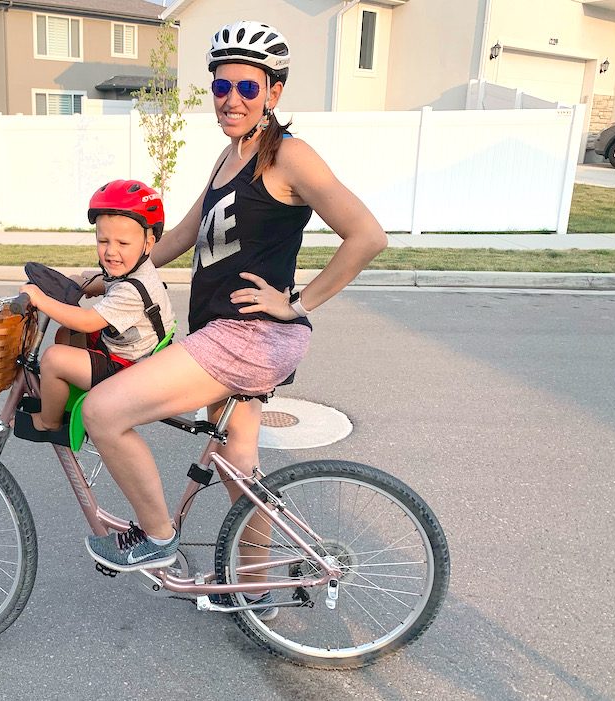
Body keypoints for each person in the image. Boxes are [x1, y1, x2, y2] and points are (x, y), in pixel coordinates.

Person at [81, 20, 388, 582]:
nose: (231, 99)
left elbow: (368, 235)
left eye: (248, 87)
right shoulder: (229, 159)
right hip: (226, 332)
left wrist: (297, 302)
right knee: (236, 462)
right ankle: (255, 586)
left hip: (246, 337)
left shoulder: (289, 156)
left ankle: (155, 539)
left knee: (104, 411)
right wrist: (98, 280)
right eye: (222, 86)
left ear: (273, 92)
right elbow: (177, 238)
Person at [17, 179, 175, 440]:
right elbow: (110, 281)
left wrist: (39, 299)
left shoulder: (131, 290)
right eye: (103, 241)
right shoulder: (135, 268)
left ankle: (49, 422)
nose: (111, 252)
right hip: (128, 350)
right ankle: (66, 390)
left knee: (54, 359)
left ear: (149, 242)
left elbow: (88, 321)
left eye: (122, 244)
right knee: (65, 335)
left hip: (130, 368)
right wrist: (87, 282)